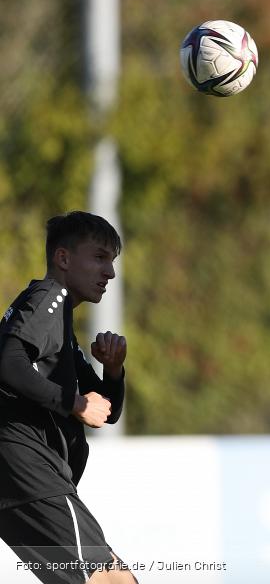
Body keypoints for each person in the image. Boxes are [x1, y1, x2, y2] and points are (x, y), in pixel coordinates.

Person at [0, 211, 135, 584]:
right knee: (109, 581)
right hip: (28, 469)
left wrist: (113, 370)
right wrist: (74, 403)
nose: (109, 272)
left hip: (24, 477)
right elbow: (8, 363)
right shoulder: (49, 295)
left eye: (112, 261)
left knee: (113, 579)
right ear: (63, 259)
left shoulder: (61, 322)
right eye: (99, 257)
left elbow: (105, 411)